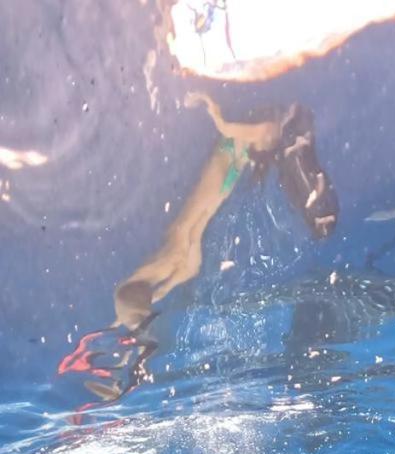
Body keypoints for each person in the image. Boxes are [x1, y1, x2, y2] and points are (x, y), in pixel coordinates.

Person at [59, 92, 339, 405]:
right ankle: (126, 365)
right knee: (162, 288)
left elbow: (234, 129)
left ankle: (126, 364)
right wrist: (206, 101)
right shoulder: (259, 134)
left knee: (172, 279)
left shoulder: (249, 146)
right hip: (181, 246)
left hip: (182, 247)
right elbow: (229, 125)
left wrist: (211, 103)